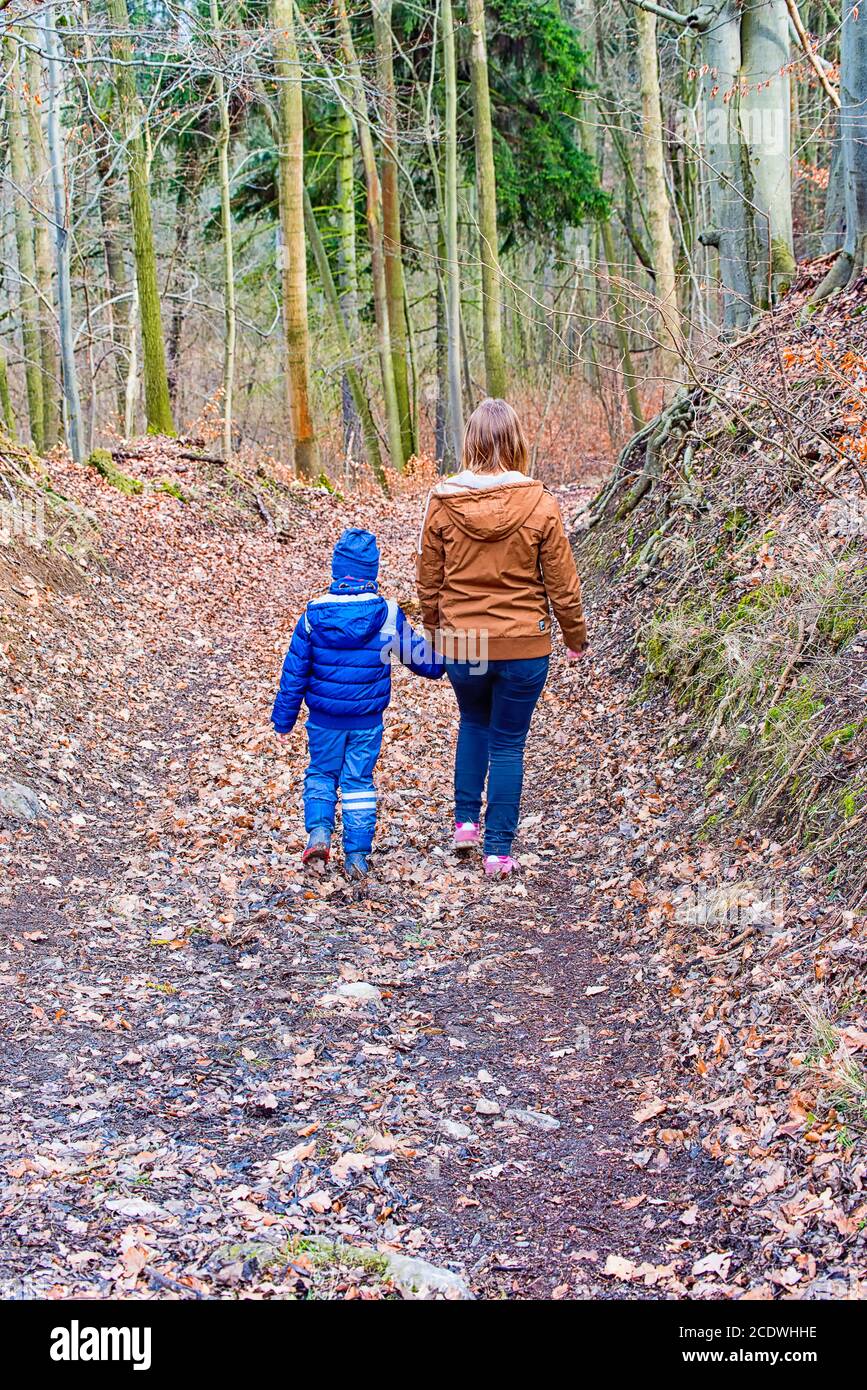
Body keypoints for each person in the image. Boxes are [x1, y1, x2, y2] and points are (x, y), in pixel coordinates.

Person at [417, 398, 588, 877]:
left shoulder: (443, 501)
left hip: (464, 642)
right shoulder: (539, 501)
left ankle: (466, 824)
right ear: (516, 442)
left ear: (471, 441)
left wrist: (436, 632)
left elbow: (428, 579)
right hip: (523, 644)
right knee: (509, 742)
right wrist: (575, 635)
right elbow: (562, 581)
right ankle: (498, 852)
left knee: (473, 722)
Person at [272, 528, 443, 879]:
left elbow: (294, 673)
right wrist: (446, 658)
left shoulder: (313, 615)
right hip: (366, 721)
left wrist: (283, 721)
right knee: (358, 782)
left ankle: (319, 834)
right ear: (372, 573)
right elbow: (422, 660)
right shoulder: (387, 615)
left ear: (337, 570)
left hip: (323, 719)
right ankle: (357, 856)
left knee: (321, 773)